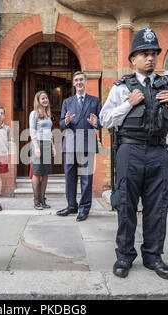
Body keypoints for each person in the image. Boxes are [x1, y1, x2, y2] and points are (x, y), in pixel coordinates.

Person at [99, 28, 168, 280]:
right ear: (132, 59)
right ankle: (124, 256)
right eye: (144, 54)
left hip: (157, 151)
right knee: (126, 205)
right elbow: (104, 119)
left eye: (153, 53)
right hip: (130, 150)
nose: (150, 58)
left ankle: (153, 256)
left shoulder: (165, 86)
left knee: (157, 207)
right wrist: (128, 103)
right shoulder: (123, 87)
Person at [56, 71, 101, 222]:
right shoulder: (67, 102)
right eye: (76, 80)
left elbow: (101, 123)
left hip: (87, 141)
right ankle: (71, 206)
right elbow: (61, 124)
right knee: (70, 176)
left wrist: (96, 123)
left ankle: (84, 208)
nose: (79, 82)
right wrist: (67, 121)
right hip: (70, 142)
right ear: (73, 83)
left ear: (85, 81)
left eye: (81, 79)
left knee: (86, 177)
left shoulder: (95, 101)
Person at [29, 91, 56, 210]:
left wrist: (53, 146)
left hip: (47, 144)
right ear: (38, 101)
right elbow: (32, 131)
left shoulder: (47, 114)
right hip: (38, 144)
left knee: (45, 173)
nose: (45, 100)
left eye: (46, 98)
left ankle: (43, 199)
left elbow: (49, 132)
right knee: (37, 173)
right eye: (42, 98)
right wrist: (36, 147)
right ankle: (36, 200)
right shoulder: (34, 114)